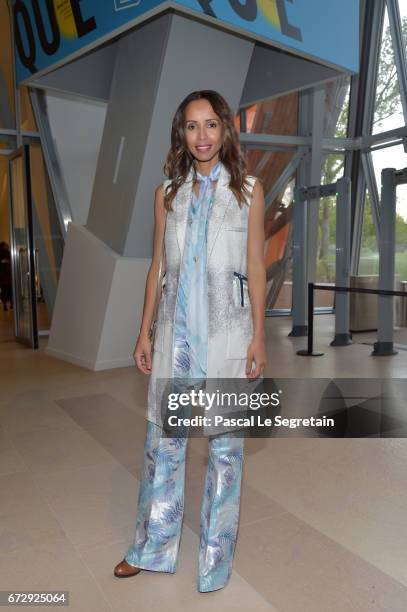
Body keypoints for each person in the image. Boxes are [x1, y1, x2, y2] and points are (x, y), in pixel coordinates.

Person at [114, 90, 267, 592]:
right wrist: (144, 330)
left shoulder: (248, 190)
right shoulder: (167, 195)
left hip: (228, 333)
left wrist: (260, 337)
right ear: (181, 133)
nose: (201, 137)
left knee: (225, 450)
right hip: (176, 336)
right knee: (164, 443)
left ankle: (215, 561)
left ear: (225, 130)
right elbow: (158, 267)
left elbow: (256, 267)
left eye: (210, 125)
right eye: (191, 127)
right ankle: (151, 547)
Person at [0, 242, 12, 311]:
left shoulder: (6, 252)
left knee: (4, 289)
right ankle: (10, 304)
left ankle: (6, 305)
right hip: (7, 274)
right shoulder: (7, 252)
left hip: (3, 275)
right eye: (6, 245)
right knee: (9, 289)